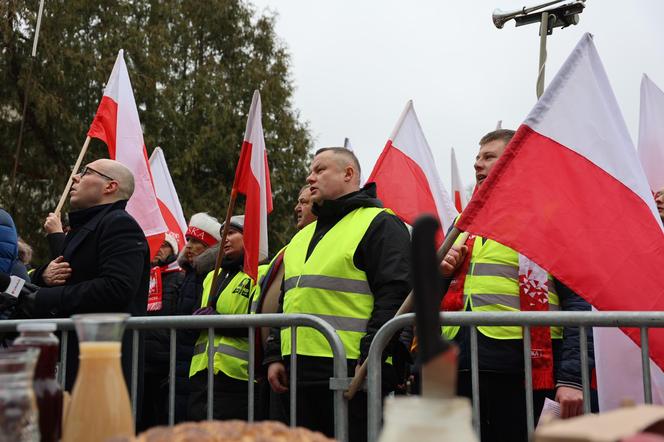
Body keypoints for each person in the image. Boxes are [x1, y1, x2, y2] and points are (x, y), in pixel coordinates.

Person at [439, 129, 593, 442]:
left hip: (524, 371)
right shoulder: (462, 223)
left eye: (489, 157)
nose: (478, 165)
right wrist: (441, 273)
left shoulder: (550, 220)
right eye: (477, 159)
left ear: (515, 162)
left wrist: (572, 378)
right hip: (460, 368)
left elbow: (578, 303)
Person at [265, 147, 411, 441]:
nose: (310, 177)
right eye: (310, 171)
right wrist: (274, 356)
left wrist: (373, 355)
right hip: (297, 371)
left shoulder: (380, 223)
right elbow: (288, 299)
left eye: (320, 170)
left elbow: (394, 296)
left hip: (353, 370)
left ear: (348, 174)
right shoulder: (302, 235)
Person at [25, 159, 150, 394]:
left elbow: (117, 287)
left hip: (105, 359)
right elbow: (66, 271)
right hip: (79, 353)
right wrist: (44, 276)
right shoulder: (86, 227)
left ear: (110, 187)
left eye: (85, 172)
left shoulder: (120, 224)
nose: (75, 177)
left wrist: (46, 298)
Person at [188, 215, 257, 421]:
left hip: (236, 375)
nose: (225, 239)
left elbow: (258, 325)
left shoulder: (257, 274)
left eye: (232, 233)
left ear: (250, 237)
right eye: (222, 235)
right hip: (201, 372)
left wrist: (216, 321)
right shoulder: (211, 276)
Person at [172, 212, 221, 423]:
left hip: (198, 356)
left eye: (197, 242)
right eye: (188, 240)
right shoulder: (188, 275)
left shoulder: (212, 276)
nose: (189, 246)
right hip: (181, 355)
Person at [141, 232, 184, 430]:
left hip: (165, 361)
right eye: (155, 243)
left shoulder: (179, 278)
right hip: (140, 359)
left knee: (163, 421)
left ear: (173, 250)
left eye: (165, 244)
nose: (158, 247)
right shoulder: (140, 277)